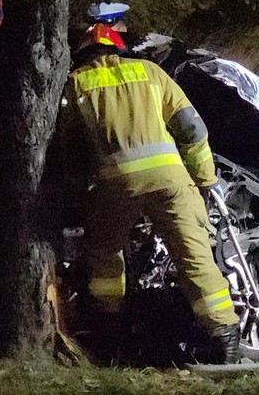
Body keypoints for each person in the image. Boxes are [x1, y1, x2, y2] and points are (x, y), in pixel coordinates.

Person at [62, 21, 241, 365]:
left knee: (105, 255)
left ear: (84, 53)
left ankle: (108, 338)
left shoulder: (76, 82)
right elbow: (191, 128)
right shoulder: (151, 72)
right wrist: (205, 180)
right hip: (170, 180)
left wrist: (80, 192)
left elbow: (72, 148)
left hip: (116, 184)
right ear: (119, 48)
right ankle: (225, 342)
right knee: (194, 256)